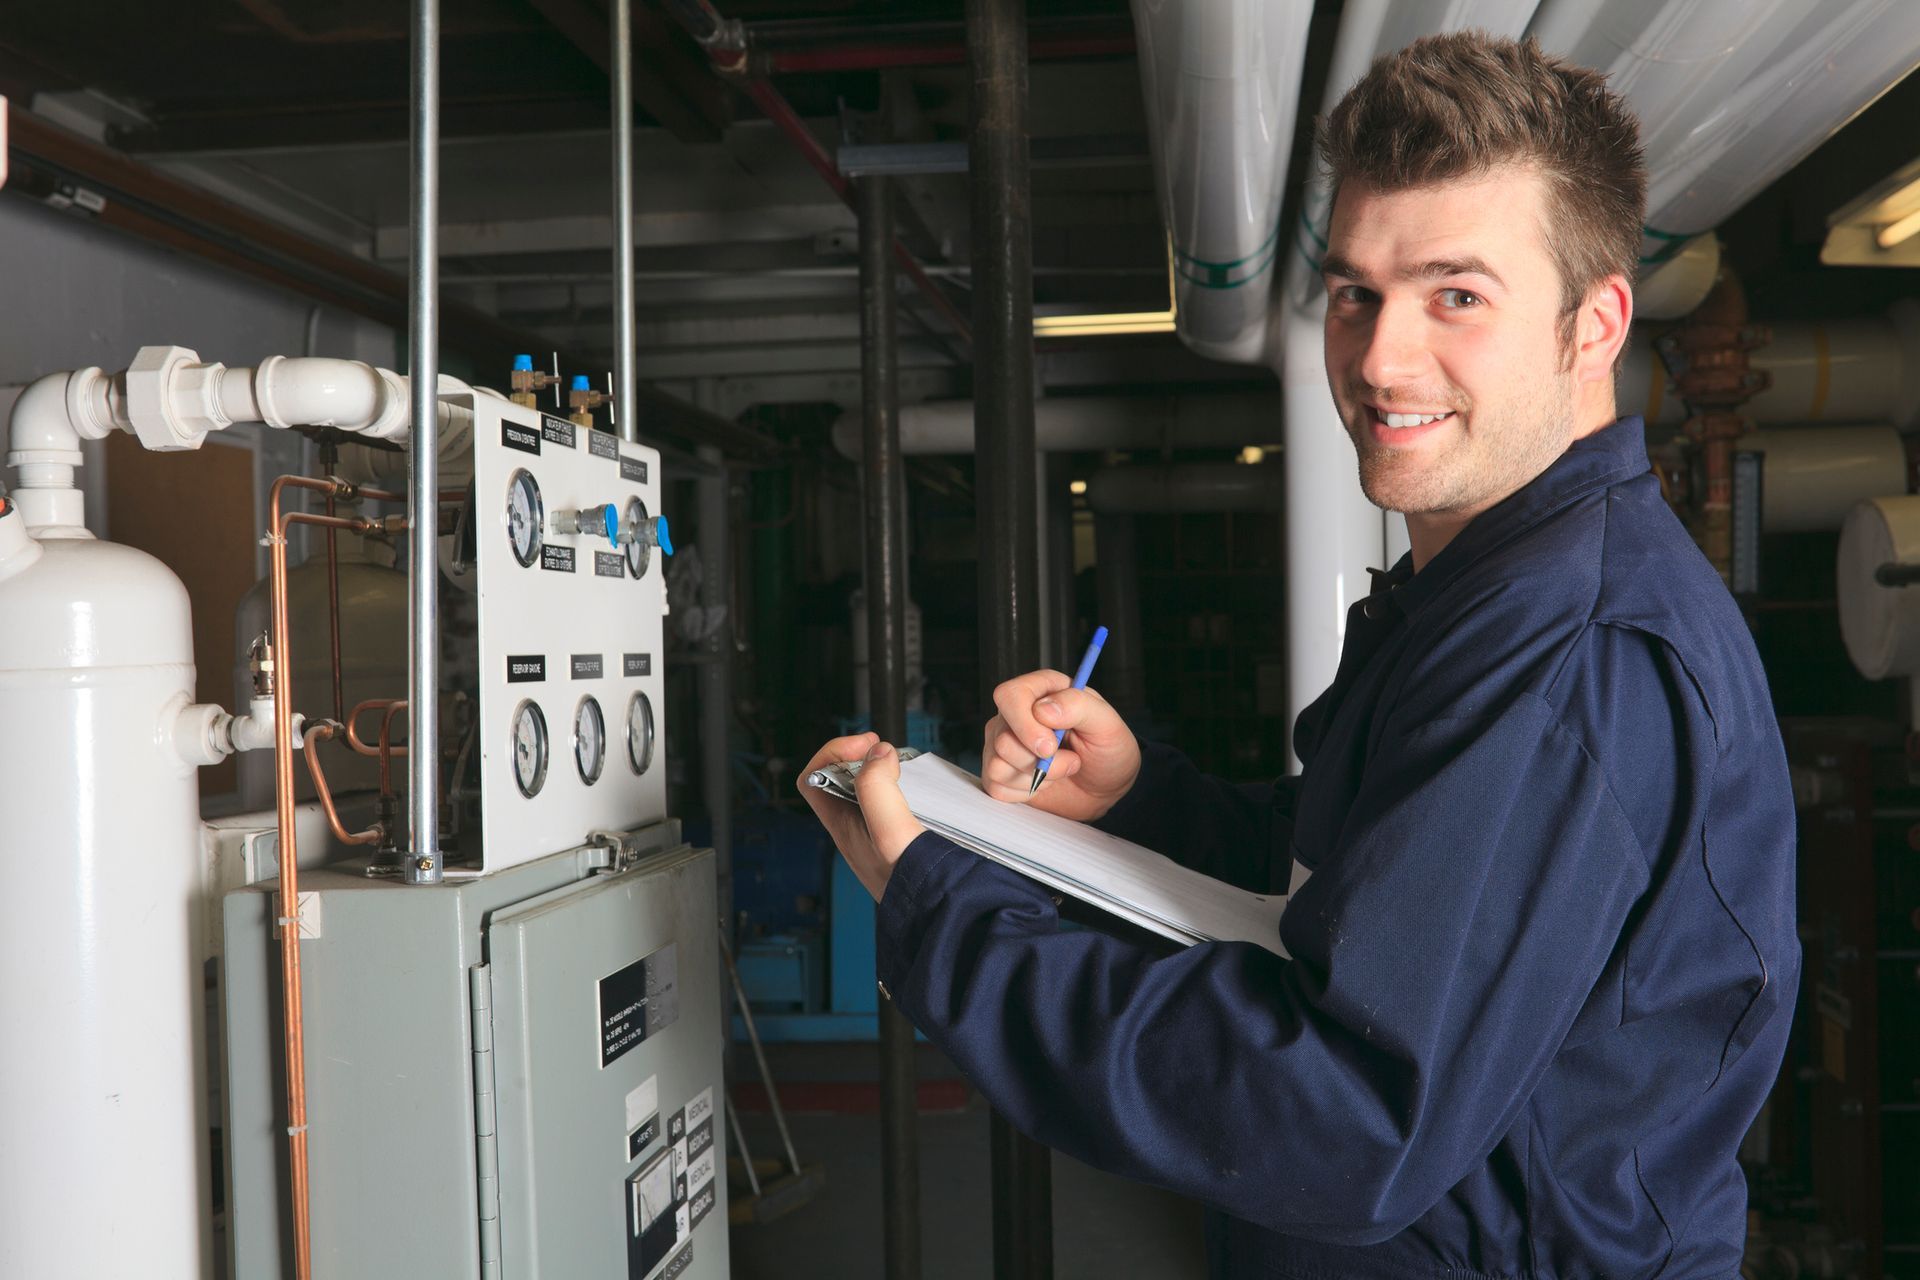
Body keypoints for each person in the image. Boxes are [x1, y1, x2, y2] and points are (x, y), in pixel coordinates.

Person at [800, 31, 1797, 1279]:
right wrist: (1139, 803)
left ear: (1592, 325)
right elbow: (1374, 890)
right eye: (1354, 292)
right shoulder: (1487, 588)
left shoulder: (1570, 652)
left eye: (1457, 295)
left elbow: (1343, 1116)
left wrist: (943, 907)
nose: (1380, 358)